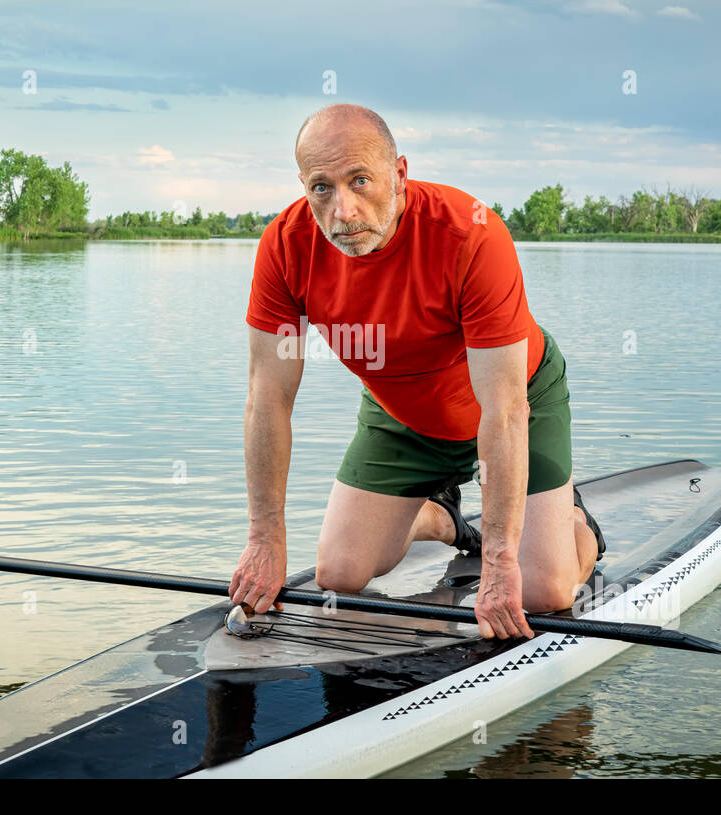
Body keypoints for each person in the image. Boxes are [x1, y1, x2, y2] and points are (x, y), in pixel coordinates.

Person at [229, 103, 605, 640]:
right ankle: (442, 516)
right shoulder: (285, 246)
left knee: (545, 592)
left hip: (515, 401)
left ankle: (576, 524)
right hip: (399, 410)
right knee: (341, 574)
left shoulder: (471, 235)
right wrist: (265, 537)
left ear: (400, 174)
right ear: (303, 185)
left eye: (361, 181)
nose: (343, 211)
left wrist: (500, 561)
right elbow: (268, 399)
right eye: (322, 188)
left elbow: (502, 411)